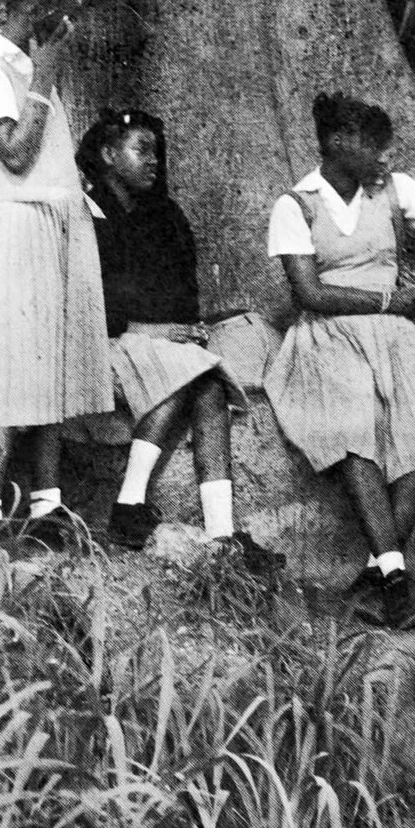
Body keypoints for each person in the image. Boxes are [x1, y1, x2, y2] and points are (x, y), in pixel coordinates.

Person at [265, 92, 415, 630]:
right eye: (374, 146)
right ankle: (395, 575)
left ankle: (374, 575)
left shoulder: (394, 190)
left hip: (395, 335)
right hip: (328, 333)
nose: (385, 156)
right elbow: (309, 294)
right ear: (338, 143)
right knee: (353, 434)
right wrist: (392, 301)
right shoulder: (296, 204)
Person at [76, 109, 283, 575]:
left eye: (157, 151)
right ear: (108, 155)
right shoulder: (86, 214)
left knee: (207, 383)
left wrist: (182, 327)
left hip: (161, 345)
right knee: (186, 368)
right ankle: (129, 500)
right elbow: (87, 299)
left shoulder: (164, 214)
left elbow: (182, 290)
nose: (154, 160)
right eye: (141, 150)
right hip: (110, 340)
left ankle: (221, 535)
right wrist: (148, 329)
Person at [0, 0, 113, 541]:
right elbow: (16, 154)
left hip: (55, 225)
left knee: (53, 365)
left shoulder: (26, 67)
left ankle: (48, 506)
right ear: (18, 9)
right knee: (7, 369)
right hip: (16, 228)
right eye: (52, 10)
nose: (62, 23)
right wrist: (45, 76)